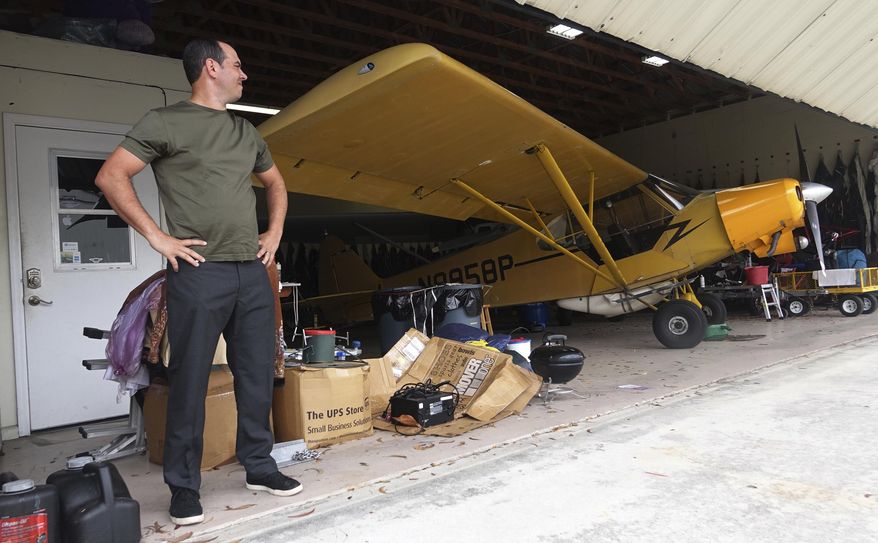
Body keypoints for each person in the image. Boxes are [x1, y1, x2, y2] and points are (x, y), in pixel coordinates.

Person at [95, 38, 299, 526]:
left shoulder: (244, 130)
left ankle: (260, 466)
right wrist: (158, 238)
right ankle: (184, 487)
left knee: (256, 374)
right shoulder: (165, 122)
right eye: (237, 65)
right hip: (198, 273)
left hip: (251, 272)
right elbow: (111, 176)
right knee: (188, 381)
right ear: (211, 68)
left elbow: (275, 183)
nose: (243, 74)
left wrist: (273, 232)